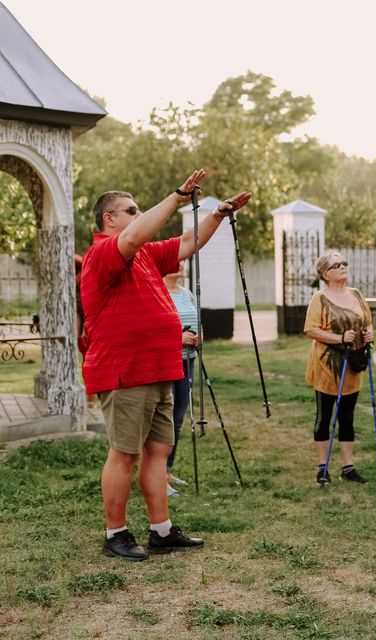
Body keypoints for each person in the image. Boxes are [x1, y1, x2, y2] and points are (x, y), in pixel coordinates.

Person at [80, 168, 251, 561]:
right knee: (124, 453)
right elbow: (135, 235)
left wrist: (218, 215)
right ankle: (115, 534)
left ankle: (161, 530)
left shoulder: (144, 256)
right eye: (131, 209)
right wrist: (176, 197)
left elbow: (189, 242)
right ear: (110, 219)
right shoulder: (103, 254)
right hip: (127, 370)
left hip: (162, 368)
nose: (138, 215)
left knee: (158, 452)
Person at [304, 250, 374, 485]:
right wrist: (340, 337)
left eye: (344, 263)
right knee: (324, 417)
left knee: (347, 417)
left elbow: (367, 322)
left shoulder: (356, 294)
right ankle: (322, 468)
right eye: (336, 265)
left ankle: (348, 467)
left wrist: (369, 334)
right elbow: (310, 330)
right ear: (325, 274)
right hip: (327, 367)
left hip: (353, 364)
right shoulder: (319, 299)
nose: (343, 266)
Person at [162, 261, 199, 498]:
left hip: (188, 361)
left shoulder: (187, 294)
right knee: (163, 420)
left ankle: (167, 470)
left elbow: (198, 322)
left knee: (177, 419)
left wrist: (198, 338)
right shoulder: (156, 292)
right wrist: (179, 339)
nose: (181, 264)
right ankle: (157, 477)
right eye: (175, 259)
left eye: (183, 260)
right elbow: (153, 329)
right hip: (165, 364)